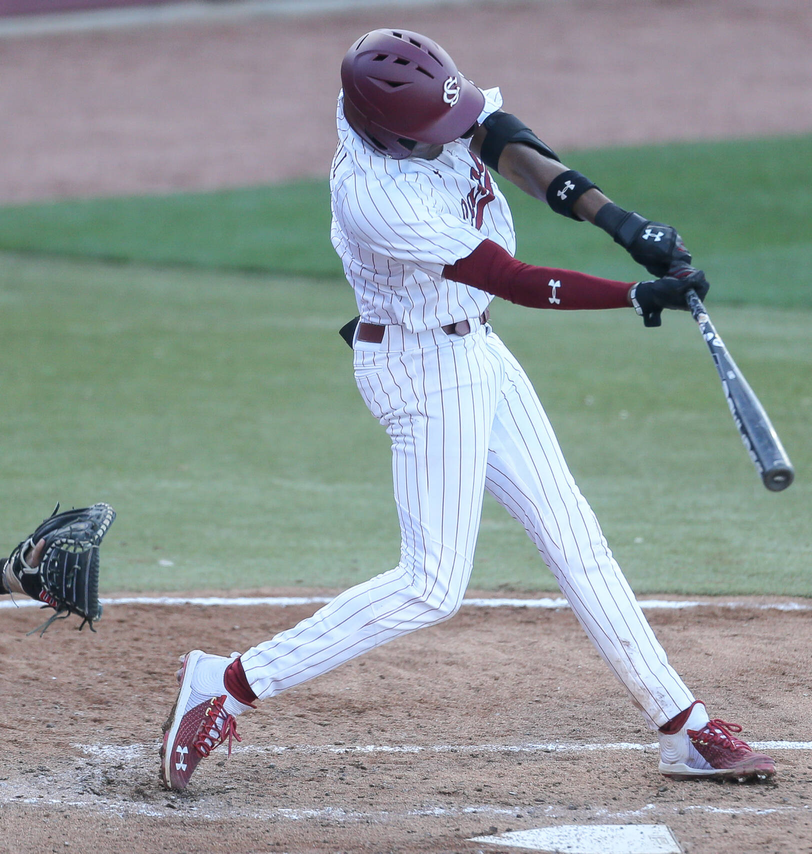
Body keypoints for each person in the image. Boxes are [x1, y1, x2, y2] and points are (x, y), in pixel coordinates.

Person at [159, 28, 775, 792]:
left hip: (475, 348)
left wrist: (620, 223)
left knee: (574, 536)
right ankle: (226, 683)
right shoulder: (377, 196)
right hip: (419, 367)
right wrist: (636, 295)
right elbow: (514, 279)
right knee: (430, 585)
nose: (461, 136)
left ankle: (682, 727)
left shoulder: (411, 97)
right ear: (393, 135)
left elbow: (505, 139)